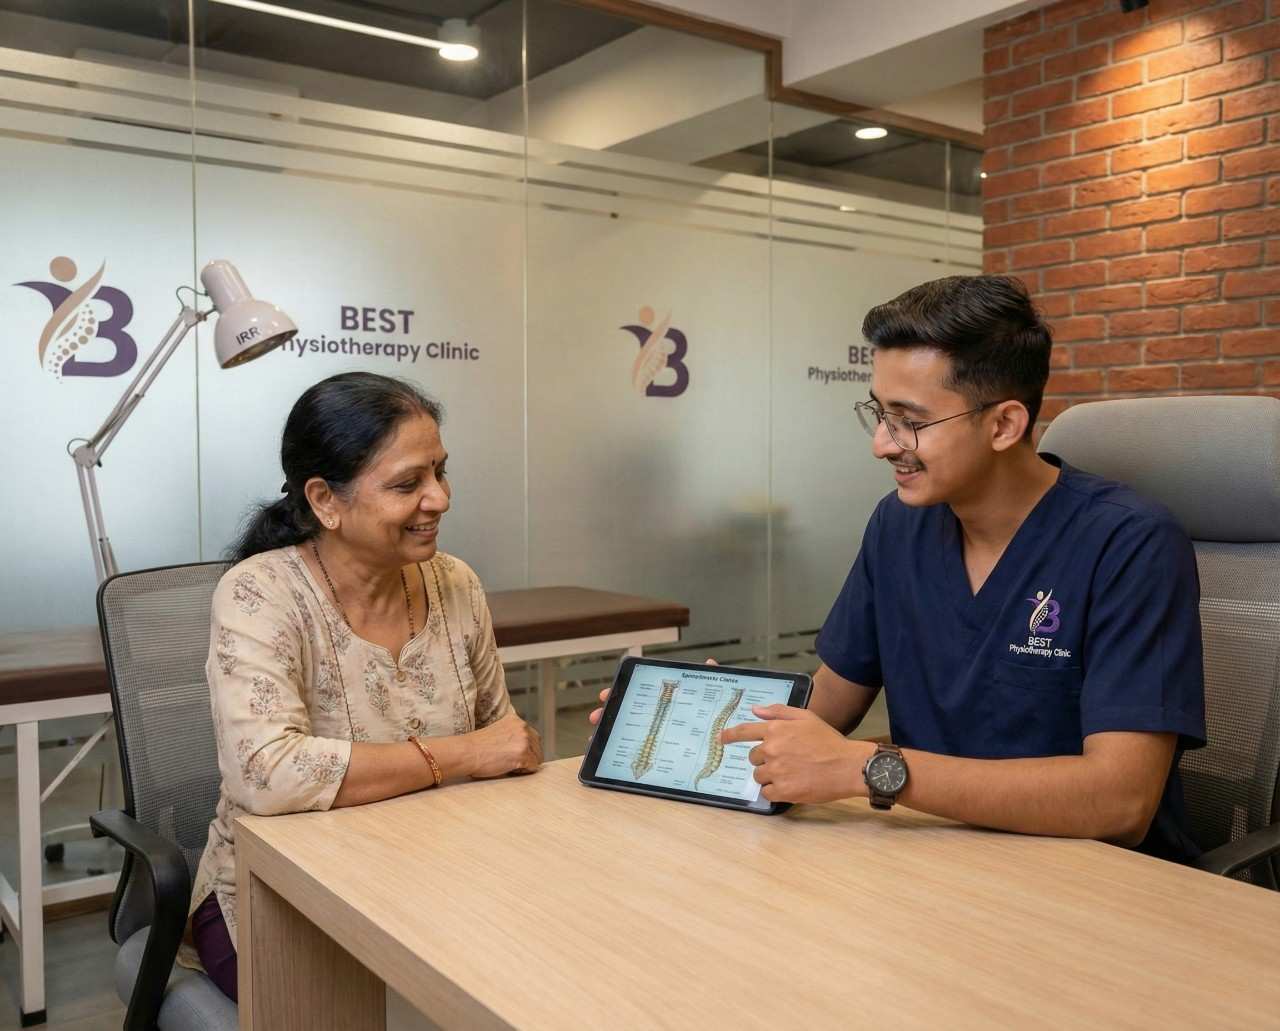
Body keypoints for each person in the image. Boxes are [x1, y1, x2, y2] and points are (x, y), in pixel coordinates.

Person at [593, 275, 1205, 862]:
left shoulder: (1128, 544)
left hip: (1096, 886)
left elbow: (1120, 800)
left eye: (909, 422)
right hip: (935, 853)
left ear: (1004, 424)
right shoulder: (900, 524)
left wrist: (868, 770)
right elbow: (828, 705)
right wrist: (711, 721)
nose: (882, 444)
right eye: (879, 414)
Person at [184, 372, 542, 1000]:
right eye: (408, 484)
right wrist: (463, 755)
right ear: (326, 501)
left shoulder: (456, 583)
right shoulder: (260, 592)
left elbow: (505, 745)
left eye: (441, 472)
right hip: (282, 897)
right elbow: (267, 775)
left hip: (437, 877)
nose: (440, 499)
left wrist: (504, 757)